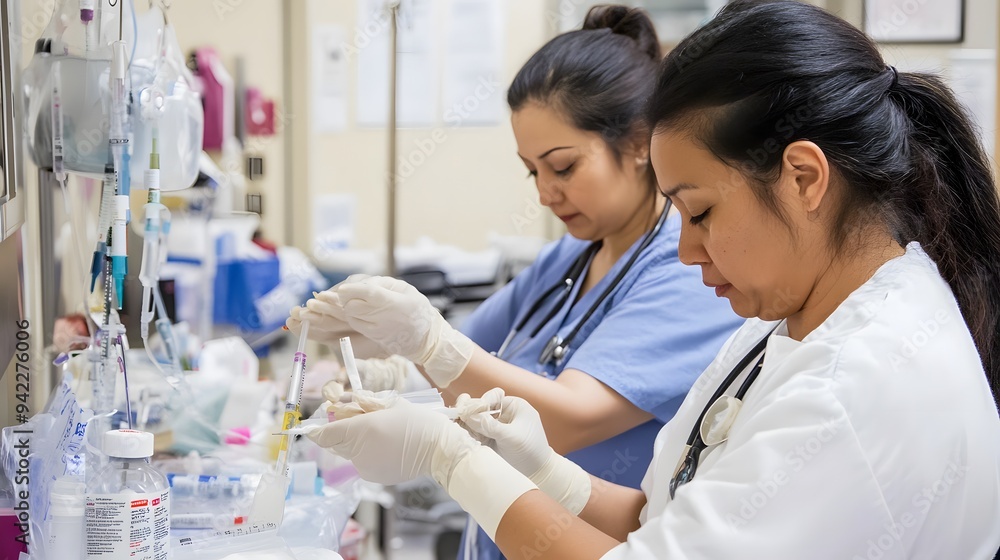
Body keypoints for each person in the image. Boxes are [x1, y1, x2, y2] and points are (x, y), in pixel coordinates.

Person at [299, 1, 1000, 558]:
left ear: (804, 179)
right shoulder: (781, 326)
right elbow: (666, 513)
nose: (689, 250)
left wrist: (448, 455)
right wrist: (545, 468)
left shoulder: (854, 389)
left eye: (699, 212)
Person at [288, 6, 742, 559]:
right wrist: (368, 354)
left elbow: (566, 420)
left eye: (563, 166)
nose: (545, 193)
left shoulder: (688, 270)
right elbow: (463, 356)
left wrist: (426, 342)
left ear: (638, 144)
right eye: (533, 171)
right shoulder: (571, 257)